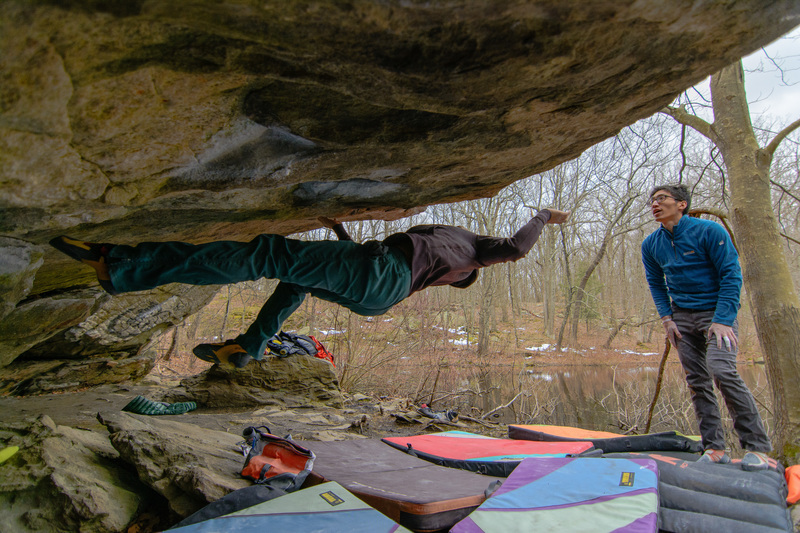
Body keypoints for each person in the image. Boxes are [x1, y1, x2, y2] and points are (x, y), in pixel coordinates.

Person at [51, 208, 570, 369]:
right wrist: (341, 231)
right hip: (379, 295)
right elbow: (359, 259)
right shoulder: (448, 258)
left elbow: (518, 247)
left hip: (380, 275)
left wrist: (543, 216)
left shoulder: (476, 250)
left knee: (269, 253)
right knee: (295, 278)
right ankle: (247, 347)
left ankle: (121, 265)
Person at [641, 184, 772, 471]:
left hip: (716, 315)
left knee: (722, 370)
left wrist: (724, 319)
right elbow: (656, 284)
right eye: (652, 201)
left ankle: (758, 448)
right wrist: (667, 318)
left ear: (682, 204)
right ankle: (714, 448)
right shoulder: (651, 244)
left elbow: (731, 273)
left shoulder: (709, 232)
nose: (655, 204)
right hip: (681, 320)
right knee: (697, 381)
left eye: (662, 199)